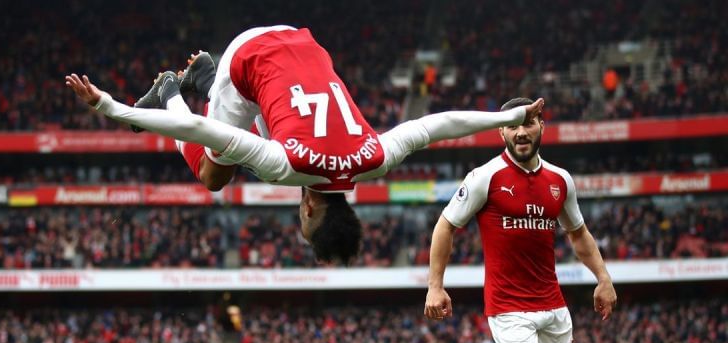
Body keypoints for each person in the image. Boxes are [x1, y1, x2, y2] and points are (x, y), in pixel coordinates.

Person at [65, 26, 543, 265]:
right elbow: (200, 133)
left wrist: (513, 115)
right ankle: (174, 85)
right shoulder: (285, 166)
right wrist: (112, 107)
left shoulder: (373, 159)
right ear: (312, 210)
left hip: (304, 42)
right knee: (214, 174)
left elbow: (440, 124)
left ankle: (210, 82)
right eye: (302, 222)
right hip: (247, 54)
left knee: (270, 125)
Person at [423, 97, 617, 343]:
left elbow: (579, 233)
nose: (520, 132)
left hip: (552, 301)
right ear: (501, 133)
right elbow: (445, 226)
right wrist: (434, 286)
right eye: (511, 125)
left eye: (527, 123)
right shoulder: (485, 177)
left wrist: (604, 278)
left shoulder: (560, 180)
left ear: (542, 125)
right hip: (509, 305)